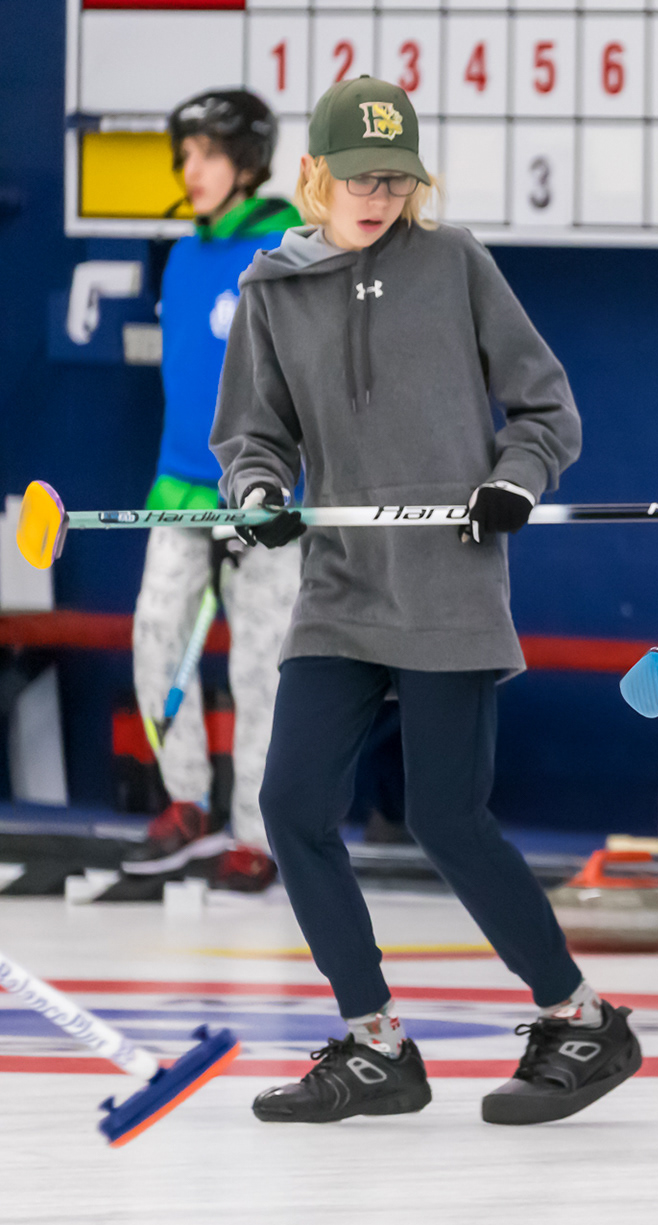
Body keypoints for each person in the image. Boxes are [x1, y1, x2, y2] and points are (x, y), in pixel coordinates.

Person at [210, 76, 639, 1126]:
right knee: (291, 807)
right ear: (315, 175)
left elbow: (546, 409)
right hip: (339, 586)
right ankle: (375, 1045)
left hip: (449, 581)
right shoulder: (270, 289)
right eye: (360, 178)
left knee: (447, 817)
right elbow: (253, 436)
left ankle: (582, 1018)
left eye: (396, 179)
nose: (379, 196)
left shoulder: (456, 264)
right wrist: (257, 495)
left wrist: (516, 480)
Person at [111, 90, 305, 900]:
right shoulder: (184, 255)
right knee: (155, 635)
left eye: (209, 155)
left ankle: (257, 834)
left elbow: (307, 382)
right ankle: (186, 799)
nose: (191, 170)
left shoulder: (290, 248)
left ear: (249, 163)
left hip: (269, 499)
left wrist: (270, 487)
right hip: (181, 486)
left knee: (263, 667)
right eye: (185, 155)